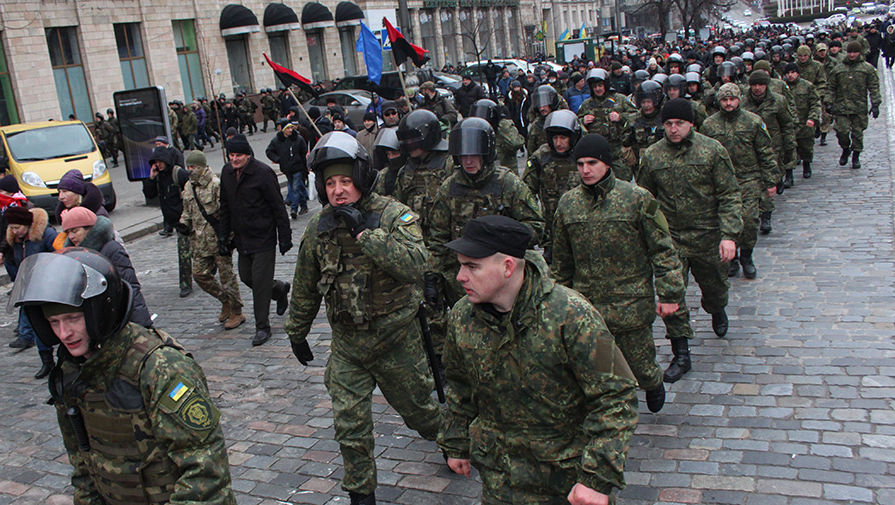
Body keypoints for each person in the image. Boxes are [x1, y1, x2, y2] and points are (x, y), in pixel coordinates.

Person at [284, 132, 442, 505]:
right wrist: (297, 330)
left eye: (345, 180)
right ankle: (361, 492)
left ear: (360, 177)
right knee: (349, 424)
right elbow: (305, 283)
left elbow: (417, 264)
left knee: (422, 414)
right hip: (348, 346)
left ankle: (456, 443)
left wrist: (365, 233)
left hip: (395, 341)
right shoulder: (320, 227)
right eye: (330, 183)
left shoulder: (391, 215)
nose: (338, 190)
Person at [9, 249, 236, 505]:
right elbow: (83, 464)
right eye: (54, 322)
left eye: (73, 319)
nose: (64, 333)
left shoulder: (161, 367)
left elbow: (205, 472)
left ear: (100, 313)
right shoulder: (72, 370)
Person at [437, 215, 638, 504]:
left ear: (507, 266)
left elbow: (617, 396)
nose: (460, 276)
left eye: (472, 266)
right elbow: (459, 381)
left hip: (566, 483)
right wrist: (455, 441)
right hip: (500, 478)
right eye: (460, 265)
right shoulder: (462, 315)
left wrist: (596, 478)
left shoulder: (573, 314)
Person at [553, 132, 684, 413]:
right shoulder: (568, 204)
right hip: (588, 305)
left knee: (641, 364)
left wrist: (670, 293)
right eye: (580, 164)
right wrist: (557, 301)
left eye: (592, 163)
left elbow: (662, 249)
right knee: (599, 371)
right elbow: (561, 260)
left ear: (607, 164)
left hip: (631, 303)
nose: (585, 170)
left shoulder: (638, 199)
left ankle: (652, 382)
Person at [638, 99, 742, 382]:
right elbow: (645, 199)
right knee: (672, 296)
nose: (673, 129)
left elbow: (729, 194)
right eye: (668, 124)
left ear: (691, 124)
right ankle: (681, 353)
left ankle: (717, 308)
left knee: (715, 287)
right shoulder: (652, 156)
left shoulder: (712, 151)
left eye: (679, 124)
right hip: (671, 239)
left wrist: (729, 235)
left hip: (708, 235)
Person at [429, 118, 544, 305]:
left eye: (474, 155)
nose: (468, 161)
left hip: (502, 281)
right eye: (463, 156)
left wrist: (502, 239)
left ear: (487, 154)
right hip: (462, 283)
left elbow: (535, 227)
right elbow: (438, 238)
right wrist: (433, 276)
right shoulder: (449, 188)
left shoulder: (507, 183)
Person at [218, 134, 292, 346]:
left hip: (263, 237)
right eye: (231, 155)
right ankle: (278, 289)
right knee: (246, 277)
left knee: (259, 284)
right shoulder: (227, 173)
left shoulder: (263, 173)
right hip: (242, 239)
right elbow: (224, 206)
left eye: (239, 155)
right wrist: (223, 235)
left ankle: (262, 327)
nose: (234, 159)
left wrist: (284, 236)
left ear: (248, 155)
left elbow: (278, 207)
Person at [701, 83, 779, 280]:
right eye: (724, 100)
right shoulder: (709, 125)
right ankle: (731, 256)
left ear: (739, 99)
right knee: (724, 221)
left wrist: (771, 180)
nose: (728, 103)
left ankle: (747, 256)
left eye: (732, 99)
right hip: (720, 181)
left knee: (749, 220)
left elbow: (766, 152)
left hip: (749, 178)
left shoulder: (753, 122)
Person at [177, 150, 245, 330]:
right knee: (199, 274)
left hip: (217, 239)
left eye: (193, 167)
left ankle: (237, 311)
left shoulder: (215, 184)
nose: (190, 170)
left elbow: (226, 212)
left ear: (202, 167)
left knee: (227, 277)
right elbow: (187, 210)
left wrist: (228, 238)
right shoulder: (188, 186)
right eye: (188, 167)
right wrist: (183, 223)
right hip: (199, 241)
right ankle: (225, 300)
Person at [61, 207, 154, 328]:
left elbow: (130, 287)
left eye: (75, 231)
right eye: (68, 232)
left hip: (118, 317)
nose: (71, 236)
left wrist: (142, 324)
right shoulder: (76, 255)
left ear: (89, 229)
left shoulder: (111, 249)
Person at [1, 206, 57, 378]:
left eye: (17, 227)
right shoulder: (16, 240)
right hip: (31, 289)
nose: (14, 231)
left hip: (50, 286)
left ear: (27, 225)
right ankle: (47, 362)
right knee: (38, 326)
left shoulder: (46, 235)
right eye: (12, 228)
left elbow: (61, 255)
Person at [522, 109, 581, 261]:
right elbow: (525, 192)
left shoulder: (583, 156)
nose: (558, 143)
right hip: (551, 232)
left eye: (563, 138)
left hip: (579, 227)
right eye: (555, 138)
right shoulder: (541, 157)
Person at [142, 145, 193, 298]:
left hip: (188, 218)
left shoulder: (178, 174)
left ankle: (206, 271)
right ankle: (185, 284)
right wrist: (150, 179)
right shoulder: (158, 177)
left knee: (197, 250)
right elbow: (150, 195)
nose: (157, 164)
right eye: (155, 162)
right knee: (184, 252)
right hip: (176, 222)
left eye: (160, 161)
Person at [828, 40, 881, 170]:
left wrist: (875, 104)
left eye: (855, 52)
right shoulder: (839, 69)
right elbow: (831, 87)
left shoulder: (867, 69)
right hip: (842, 107)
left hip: (859, 107)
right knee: (842, 131)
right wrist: (828, 102)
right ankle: (845, 148)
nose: (852, 55)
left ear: (859, 53)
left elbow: (874, 87)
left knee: (857, 134)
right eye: (850, 52)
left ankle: (856, 155)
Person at [782, 63, 822, 179]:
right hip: (789, 124)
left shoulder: (807, 86)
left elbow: (815, 103)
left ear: (797, 73)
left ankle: (807, 164)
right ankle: (789, 175)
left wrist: (812, 118)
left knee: (806, 147)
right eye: (788, 73)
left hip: (804, 122)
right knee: (788, 150)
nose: (790, 75)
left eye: (793, 72)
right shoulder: (782, 87)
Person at [265, 120, 310, 219]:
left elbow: (304, 151)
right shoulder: (277, 140)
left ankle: (294, 209)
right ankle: (304, 205)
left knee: (295, 187)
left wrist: (305, 166)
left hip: (298, 167)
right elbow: (269, 151)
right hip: (286, 168)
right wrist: (278, 159)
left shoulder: (298, 139)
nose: (290, 130)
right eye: (288, 128)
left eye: (291, 128)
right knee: (299, 187)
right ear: (283, 129)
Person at [469, 99, 524, 170]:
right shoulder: (473, 135)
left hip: (506, 176)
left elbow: (516, 143)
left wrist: (504, 123)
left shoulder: (503, 131)